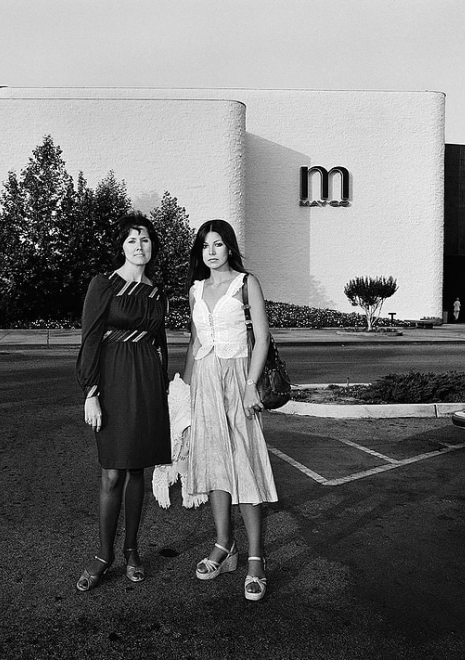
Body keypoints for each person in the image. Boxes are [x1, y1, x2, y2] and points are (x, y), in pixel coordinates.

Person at [182, 219, 278, 602]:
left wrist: (252, 384)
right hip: (204, 380)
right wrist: (184, 393)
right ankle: (225, 547)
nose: (211, 251)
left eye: (218, 244)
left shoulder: (246, 283)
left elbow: (263, 338)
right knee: (214, 464)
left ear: (229, 248)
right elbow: (193, 342)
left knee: (246, 465)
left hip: (238, 379)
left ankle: (256, 559)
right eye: (205, 245)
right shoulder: (195, 289)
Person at [75, 212, 171, 592]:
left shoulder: (157, 291)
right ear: (122, 246)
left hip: (147, 380)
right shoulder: (105, 285)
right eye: (132, 240)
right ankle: (104, 556)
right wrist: (91, 393)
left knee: (137, 472)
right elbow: (91, 339)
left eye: (145, 240)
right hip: (112, 380)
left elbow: (159, 342)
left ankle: (132, 550)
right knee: (113, 472)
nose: (139, 246)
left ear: (152, 246)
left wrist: (165, 389)